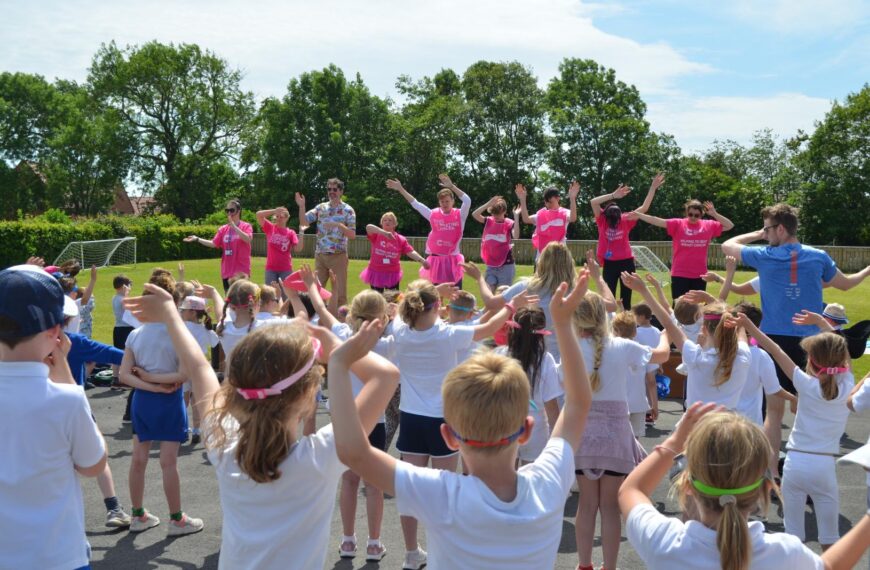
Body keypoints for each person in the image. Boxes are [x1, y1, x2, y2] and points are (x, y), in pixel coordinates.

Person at [123, 279, 399, 570]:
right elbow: (386, 376)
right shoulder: (322, 456)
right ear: (308, 400)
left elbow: (200, 366)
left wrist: (170, 313)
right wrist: (337, 354)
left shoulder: (223, 442)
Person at [327, 272, 593, 568]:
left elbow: (353, 451)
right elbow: (579, 404)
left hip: (414, 418)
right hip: (435, 414)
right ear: (525, 429)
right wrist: (562, 322)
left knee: (407, 503)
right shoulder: (548, 482)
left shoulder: (439, 492)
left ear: (451, 433)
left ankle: (411, 553)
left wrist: (338, 362)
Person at [387, 279, 536, 568]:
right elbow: (488, 329)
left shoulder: (400, 332)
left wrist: (431, 294)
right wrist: (510, 306)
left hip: (411, 418)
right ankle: (449, 549)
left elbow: (398, 310)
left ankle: (410, 552)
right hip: (442, 420)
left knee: (410, 491)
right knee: (449, 491)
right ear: (438, 306)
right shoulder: (447, 334)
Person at [620, 403, 870, 570]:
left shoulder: (663, 543)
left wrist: (675, 440)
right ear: (766, 488)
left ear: (687, 484)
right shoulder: (784, 554)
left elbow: (631, 490)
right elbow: (830, 566)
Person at [0, 265, 107, 570]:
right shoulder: (67, 400)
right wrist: (67, 379)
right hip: (58, 557)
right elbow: (93, 465)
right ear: (55, 332)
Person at [572, 285, 671, 570]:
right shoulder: (622, 346)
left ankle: (584, 563)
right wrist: (664, 335)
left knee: (587, 505)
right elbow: (661, 356)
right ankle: (610, 566)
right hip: (615, 434)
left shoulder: (573, 348)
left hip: (583, 433)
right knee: (611, 508)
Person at [735, 313, 854, 551]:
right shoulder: (848, 384)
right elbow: (841, 351)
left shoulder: (804, 383)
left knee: (793, 537)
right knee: (830, 537)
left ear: (811, 360)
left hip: (795, 463)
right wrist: (822, 324)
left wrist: (749, 326)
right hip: (824, 466)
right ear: (842, 363)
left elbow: (775, 349)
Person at [303, 278, 393, 562]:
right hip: (373, 423)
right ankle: (374, 543)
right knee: (374, 485)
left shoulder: (341, 333)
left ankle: (347, 540)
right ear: (382, 317)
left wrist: (310, 285)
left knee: (349, 482)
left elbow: (321, 308)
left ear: (353, 313)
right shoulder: (388, 344)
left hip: (343, 421)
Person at [119, 270, 203, 536]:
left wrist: (148, 382)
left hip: (143, 401)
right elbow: (184, 374)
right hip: (169, 400)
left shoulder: (135, 334)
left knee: (138, 460)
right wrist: (158, 383)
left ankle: (137, 515)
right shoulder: (178, 334)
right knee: (168, 462)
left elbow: (123, 375)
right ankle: (177, 519)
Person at [621, 272, 751, 410]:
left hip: (697, 425)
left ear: (704, 329)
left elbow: (667, 323)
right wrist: (710, 299)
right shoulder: (743, 355)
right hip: (727, 426)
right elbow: (737, 325)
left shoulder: (695, 356)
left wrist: (644, 290)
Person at [495, 306, 563, 463]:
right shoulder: (546, 360)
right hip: (535, 431)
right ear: (541, 335)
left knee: (503, 481)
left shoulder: (499, 354)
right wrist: (558, 440)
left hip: (503, 427)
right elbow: (551, 406)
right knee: (531, 481)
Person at [631, 198, 734, 300]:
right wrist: (640, 215)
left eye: (696, 215)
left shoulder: (709, 225)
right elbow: (657, 221)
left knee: (697, 307)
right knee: (679, 306)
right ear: (686, 213)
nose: (693, 217)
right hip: (679, 273)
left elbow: (729, 225)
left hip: (700, 274)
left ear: (701, 215)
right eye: (690, 214)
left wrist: (715, 214)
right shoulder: (678, 224)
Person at [590, 174, 665, 307]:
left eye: (616, 215)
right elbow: (594, 202)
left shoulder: (625, 220)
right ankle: (610, 322)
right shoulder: (602, 221)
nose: (614, 218)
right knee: (609, 296)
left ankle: (627, 322)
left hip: (626, 262)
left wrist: (653, 188)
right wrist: (613, 195)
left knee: (626, 298)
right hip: (609, 263)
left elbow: (644, 208)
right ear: (605, 215)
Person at [387, 174, 471, 286]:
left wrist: (452, 186)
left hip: (453, 259)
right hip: (435, 259)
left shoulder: (460, 215)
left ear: (453, 201)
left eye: (447, 201)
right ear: (439, 203)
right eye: (442, 202)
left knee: (455, 294)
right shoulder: (433, 214)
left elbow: (467, 200)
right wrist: (401, 189)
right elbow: (416, 204)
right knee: (434, 296)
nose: (444, 204)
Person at [295, 178, 356, 310]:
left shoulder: (348, 210)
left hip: (338, 256)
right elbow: (304, 223)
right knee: (316, 289)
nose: (331, 192)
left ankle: (340, 322)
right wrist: (301, 206)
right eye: (329, 189)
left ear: (341, 191)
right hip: (320, 256)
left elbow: (352, 235)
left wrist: (339, 225)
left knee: (340, 293)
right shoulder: (321, 207)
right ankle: (317, 318)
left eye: (335, 189)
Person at [183, 199, 253, 291]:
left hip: (241, 272)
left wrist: (234, 227)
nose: (229, 213)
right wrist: (197, 239)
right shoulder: (223, 229)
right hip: (227, 271)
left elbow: (248, 239)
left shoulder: (246, 226)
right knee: (229, 300)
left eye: (232, 210)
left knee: (241, 301)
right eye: (227, 211)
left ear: (238, 211)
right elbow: (213, 243)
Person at [361, 211, 428, 292]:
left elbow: (410, 251)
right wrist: (384, 233)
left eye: (390, 220)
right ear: (381, 223)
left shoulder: (400, 239)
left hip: (392, 273)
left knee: (393, 300)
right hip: (376, 272)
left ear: (395, 224)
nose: (387, 222)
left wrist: (422, 260)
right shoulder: (376, 235)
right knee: (377, 300)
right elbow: (368, 227)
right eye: (384, 220)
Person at [515, 181, 579, 260]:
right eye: (546, 202)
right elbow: (526, 219)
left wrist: (572, 198)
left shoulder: (565, 212)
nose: (548, 204)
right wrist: (522, 200)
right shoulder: (541, 214)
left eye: (551, 202)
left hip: (560, 258)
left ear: (558, 198)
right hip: (542, 258)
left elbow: (573, 218)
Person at [473, 195, 521, 288]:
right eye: (494, 214)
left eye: (498, 214)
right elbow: (474, 214)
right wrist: (489, 204)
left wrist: (516, 217)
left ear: (504, 211)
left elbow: (516, 236)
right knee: (489, 291)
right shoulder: (488, 221)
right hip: (491, 265)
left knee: (503, 295)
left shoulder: (509, 223)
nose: (496, 216)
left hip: (506, 265)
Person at [216, 279, 263, 360]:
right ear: (255, 302)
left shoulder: (222, 327)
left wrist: (214, 293)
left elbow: (222, 313)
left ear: (230, 305)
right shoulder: (264, 328)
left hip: (230, 372)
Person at [256, 206, 303, 286]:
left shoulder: (291, 233)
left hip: (285, 269)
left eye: (281, 217)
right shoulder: (270, 228)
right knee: (270, 295)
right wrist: (275, 210)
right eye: (277, 216)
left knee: (286, 295)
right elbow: (258, 215)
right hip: (271, 269)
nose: (278, 218)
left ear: (286, 218)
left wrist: (301, 232)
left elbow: (298, 249)